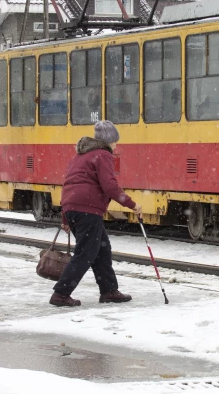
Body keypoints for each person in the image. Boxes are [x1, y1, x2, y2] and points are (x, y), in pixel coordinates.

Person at [50, 120, 142, 307]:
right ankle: (61, 293)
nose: (116, 145)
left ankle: (109, 290)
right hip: (87, 209)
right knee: (86, 253)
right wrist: (132, 204)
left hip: (74, 206)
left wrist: (65, 216)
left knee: (101, 249)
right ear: (108, 141)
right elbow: (110, 186)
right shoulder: (103, 155)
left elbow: (69, 184)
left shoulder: (79, 156)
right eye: (115, 141)